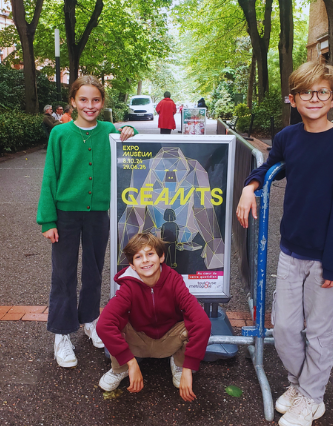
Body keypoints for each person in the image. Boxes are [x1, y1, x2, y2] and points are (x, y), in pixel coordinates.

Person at [236, 60, 333, 426]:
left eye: (322, 91)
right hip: (291, 251)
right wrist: (250, 186)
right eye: (306, 92)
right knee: (287, 328)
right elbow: (271, 166)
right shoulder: (287, 137)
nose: (314, 98)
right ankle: (297, 385)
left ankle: (311, 397)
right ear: (293, 99)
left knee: (320, 333)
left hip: (326, 256)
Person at [37, 75, 137, 368]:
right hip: (65, 214)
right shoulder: (60, 134)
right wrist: (47, 220)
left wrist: (129, 129)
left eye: (95, 100)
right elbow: (49, 177)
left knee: (94, 270)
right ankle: (62, 333)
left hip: (97, 214)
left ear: (102, 102)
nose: (89, 105)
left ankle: (91, 320)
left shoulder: (109, 131)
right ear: (73, 101)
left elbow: (127, 142)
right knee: (63, 273)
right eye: (83, 99)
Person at [96, 233, 211, 401]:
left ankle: (179, 363)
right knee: (115, 321)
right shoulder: (128, 287)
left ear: (161, 256)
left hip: (169, 340)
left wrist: (189, 366)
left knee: (194, 322)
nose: (145, 260)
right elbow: (103, 325)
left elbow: (203, 323)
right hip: (139, 341)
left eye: (150, 254)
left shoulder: (174, 281)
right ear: (132, 265)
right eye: (138, 257)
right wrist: (130, 362)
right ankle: (120, 369)